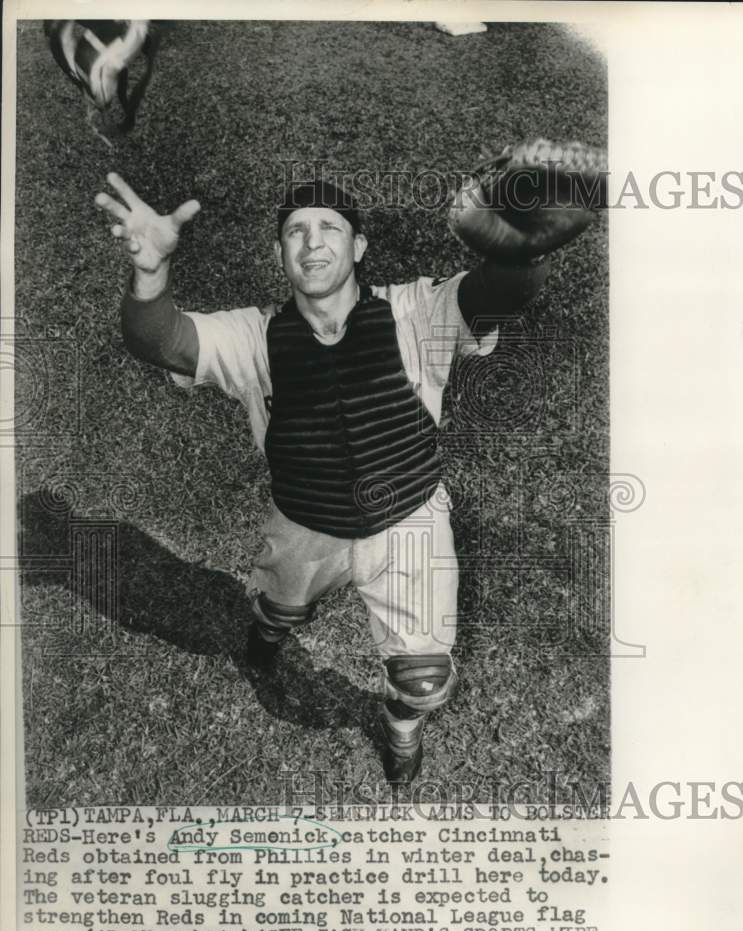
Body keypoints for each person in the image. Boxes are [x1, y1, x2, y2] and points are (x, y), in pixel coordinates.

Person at [95, 172, 552, 783]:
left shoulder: (418, 311)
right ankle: (268, 630)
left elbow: (501, 292)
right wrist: (150, 275)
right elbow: (162, 341)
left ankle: (401, 728)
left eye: (329, 228)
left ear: (358, 245)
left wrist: (523, 247)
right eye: (295, 232)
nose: (312, 243)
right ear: (281, 253)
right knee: (280, 609)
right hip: (305, 522)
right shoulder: (256, 335)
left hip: (407, 521)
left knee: (423, 679)